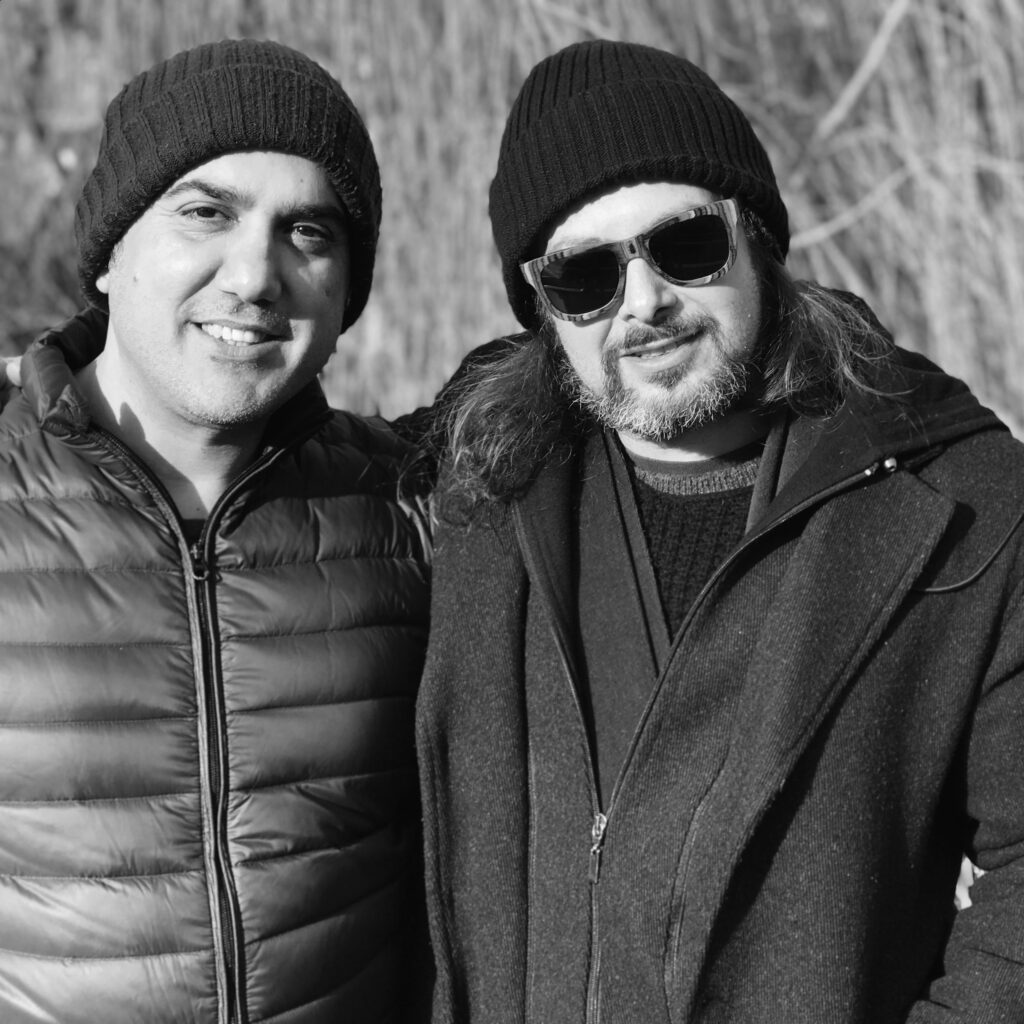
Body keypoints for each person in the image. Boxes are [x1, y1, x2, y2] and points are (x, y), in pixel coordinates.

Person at [416, 39, 1024, 1023]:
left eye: (687, 244)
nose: (644, 302)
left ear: (760, 243)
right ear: (541, 309)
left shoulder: (965, 505)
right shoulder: (473, 502)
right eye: (584, 276)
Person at [0, 39, 430, 1024]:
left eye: (307, 232)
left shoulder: (406, 512)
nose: (255, 275)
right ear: (111, 252)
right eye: (206, 212)